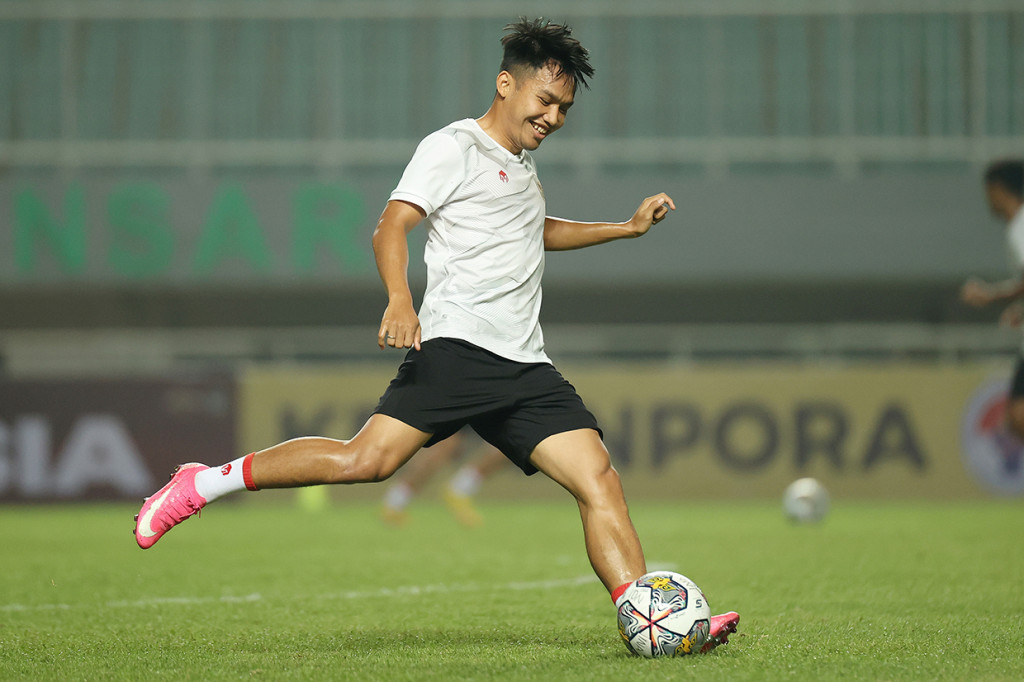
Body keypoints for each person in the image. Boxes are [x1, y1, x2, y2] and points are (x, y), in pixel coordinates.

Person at [134, 17, 738, 652]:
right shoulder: (452, 147)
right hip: (458, 349)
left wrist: (625, 228)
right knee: (363, 461)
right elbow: (391, 226)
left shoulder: (521, 165)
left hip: (525, 365)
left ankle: (654, 619)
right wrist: (400, 300)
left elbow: (537, 229)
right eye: (545, 100)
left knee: (599, 479)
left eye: (564, 108)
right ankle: (203, 483)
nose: (554, 117)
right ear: (506, 84)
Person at [961, 160, 1024, 442]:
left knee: (1019, 415)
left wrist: (991, 295)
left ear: (998, 190)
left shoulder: (1020, 229)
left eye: (987, 192)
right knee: (1017, 416)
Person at [380, 428, 509, 527]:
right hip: (464, 395)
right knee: (446, 445)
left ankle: (459, 490)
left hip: (492, 395)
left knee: (509, 441)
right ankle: (395, 500)